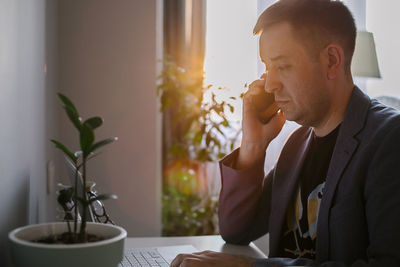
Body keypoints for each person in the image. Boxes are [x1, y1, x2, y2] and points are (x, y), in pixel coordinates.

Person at [171, 0, 400, 266]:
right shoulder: (298, 144)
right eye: (267, 68)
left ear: (331, 61)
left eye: (282, 66)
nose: (269, 84)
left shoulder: (389, 141)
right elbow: (237, 230)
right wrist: (253, 146)